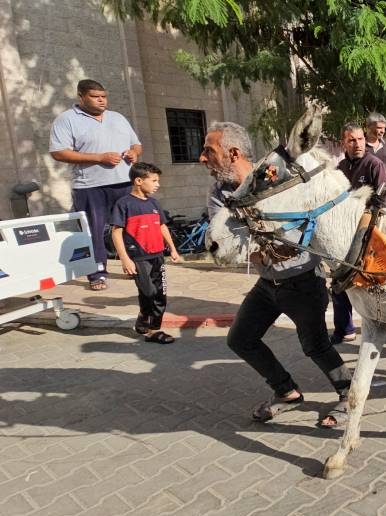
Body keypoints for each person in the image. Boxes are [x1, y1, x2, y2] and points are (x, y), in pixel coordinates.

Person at [198, 121, 353, 426]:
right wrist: (267, 246)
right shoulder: (219, 194)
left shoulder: (274, 177)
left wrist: (270, 242)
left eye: (208, 150)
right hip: (267, 282)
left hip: (303, 281)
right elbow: (229, 247)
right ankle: (286, 392)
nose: (202, 158)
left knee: (315, 345)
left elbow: (305, 222)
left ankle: (349, 395)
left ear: (233, 153)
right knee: (240, 339)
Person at [49, 79, 143, 291]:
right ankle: (97, 273)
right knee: (95, 230)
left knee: (131, 227)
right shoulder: (66, 120)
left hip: (124, 183)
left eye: (104, 96)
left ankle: (135, 266)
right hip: (90, 187)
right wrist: (99, 157)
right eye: (95, 97)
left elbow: (136, 144)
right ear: (81, 97)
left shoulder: (117, 118)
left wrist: (134, 152)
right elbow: (58, 152)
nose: (102, 100)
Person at [330, 123, 386, 344]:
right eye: (352, 140)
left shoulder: (374, 164)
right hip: (344, 233)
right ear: (344, 143)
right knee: (338, 280)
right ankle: (344, 329)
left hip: (371, 230)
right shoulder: (339, 169)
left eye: (359, 139)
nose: (357, 144)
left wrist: (373, 205)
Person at [109, 162, 181, 344]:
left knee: (160, 295)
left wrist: (172, 248)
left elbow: (162, 226)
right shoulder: (124, 204)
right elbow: (116, 232)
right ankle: (144, 318)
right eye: (154, 180)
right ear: (139, 180)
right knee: (148, 292)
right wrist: (125, 259)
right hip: (139, 257)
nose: (158, 184)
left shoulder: (154, 203)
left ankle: (153, 329)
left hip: (157, 256)